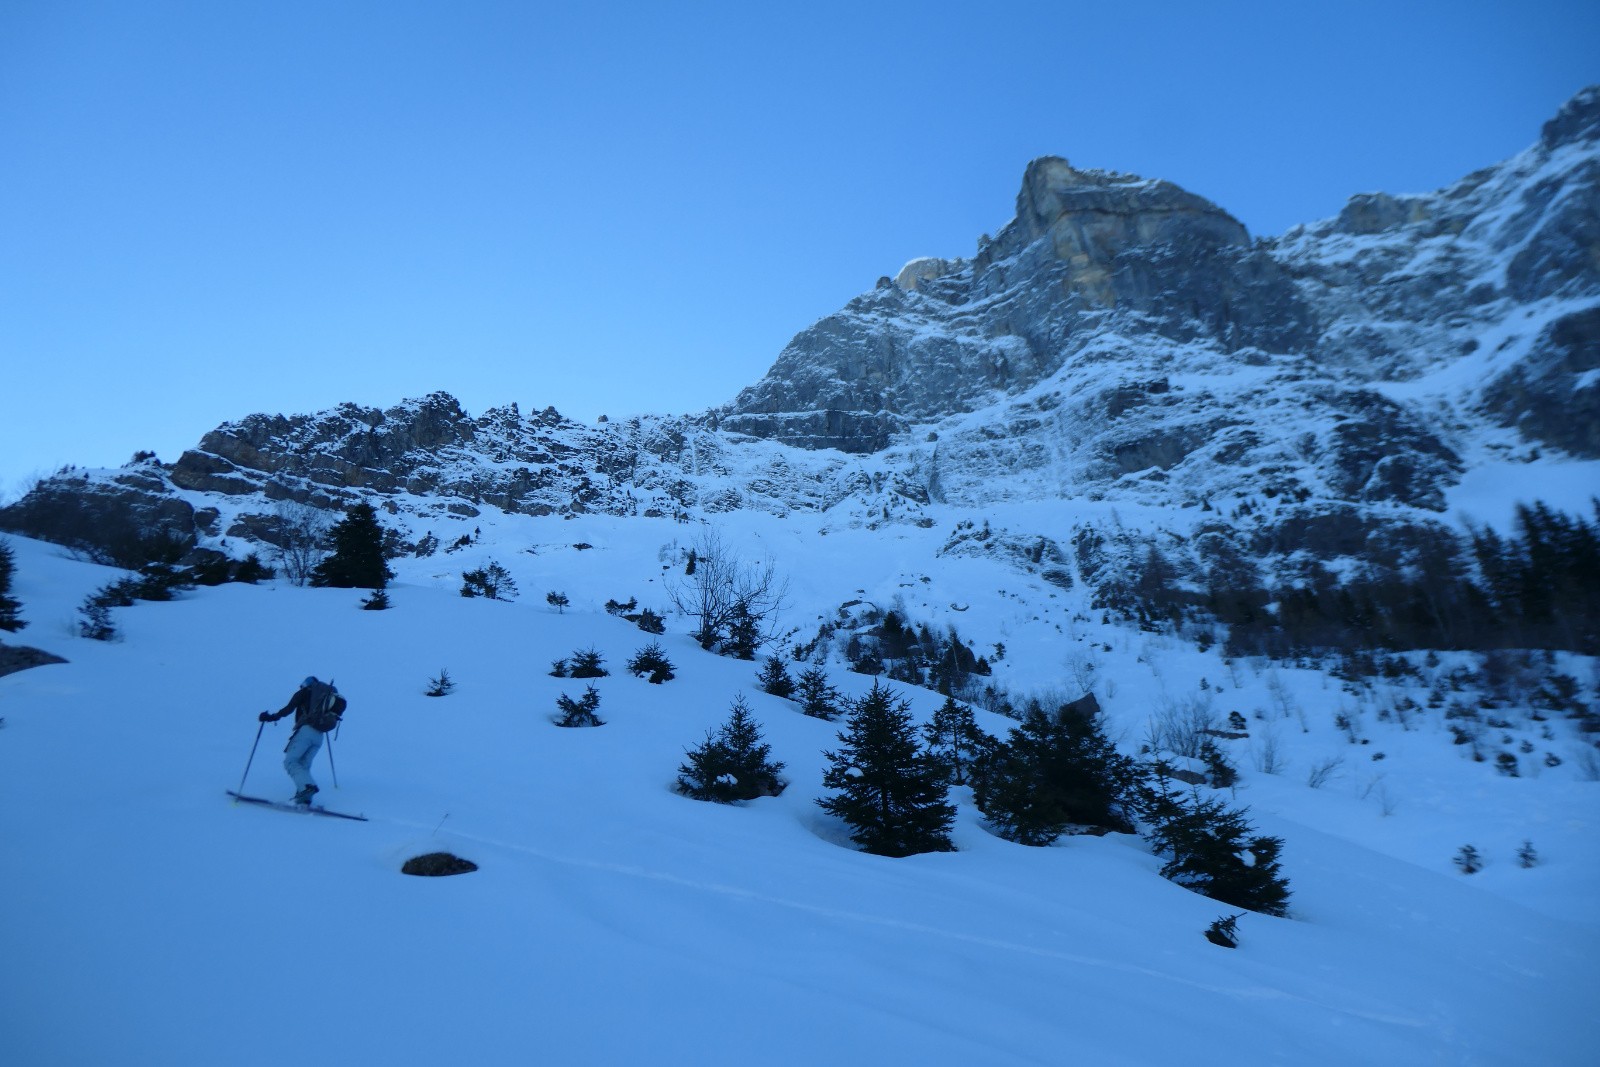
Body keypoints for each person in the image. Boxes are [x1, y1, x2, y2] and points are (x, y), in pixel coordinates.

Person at [259, 676, 343, 804]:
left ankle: (307, 787)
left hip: (306, 731)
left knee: (290, 762)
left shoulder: (305, 692)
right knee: (303, 765)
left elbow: (289, 708)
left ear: (307, 684)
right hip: (319, 736)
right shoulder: (325, 700)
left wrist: (272, 717)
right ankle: (305, 799)